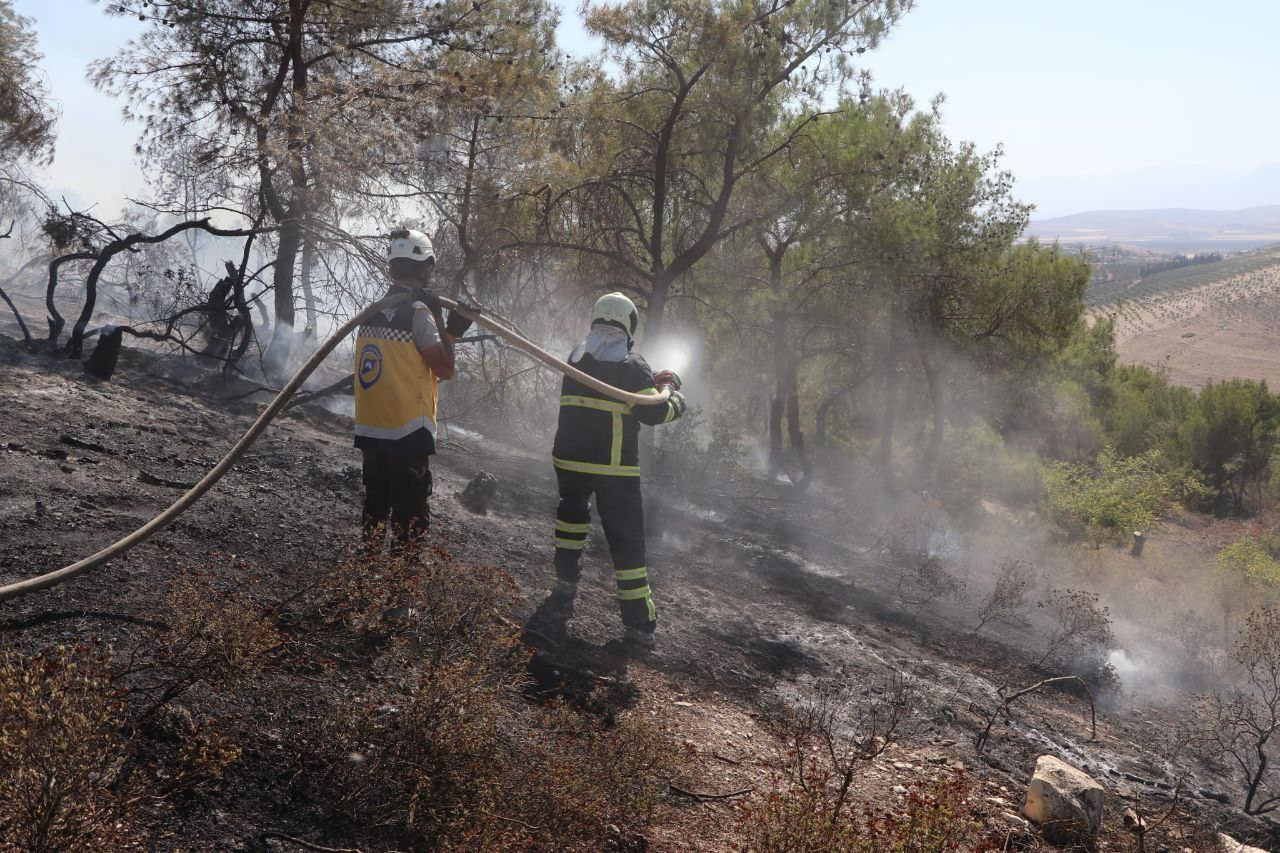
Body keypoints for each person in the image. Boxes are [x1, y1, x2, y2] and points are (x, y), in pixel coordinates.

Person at [546, 292, 686, 650]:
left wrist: (650, 384)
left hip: (569, 461)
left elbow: (616, 389)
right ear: (628, 323)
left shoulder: (576, 355)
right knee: (627, 544)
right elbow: (652, 412)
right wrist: (673, 395)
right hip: (613, 469)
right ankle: (640, 626)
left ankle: (564, 583)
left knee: (572, 518)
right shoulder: (632, 363)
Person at [353, 228, 472, 547]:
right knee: (410, 522)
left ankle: (362, 587)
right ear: (425, 267)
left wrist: (442, 320)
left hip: (372, 429)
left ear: (392, 267)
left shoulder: (372, 311)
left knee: (374, 514)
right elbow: (445, 369)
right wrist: (448, 325)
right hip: (406, 432)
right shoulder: (419, 313)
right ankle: (399, 594)